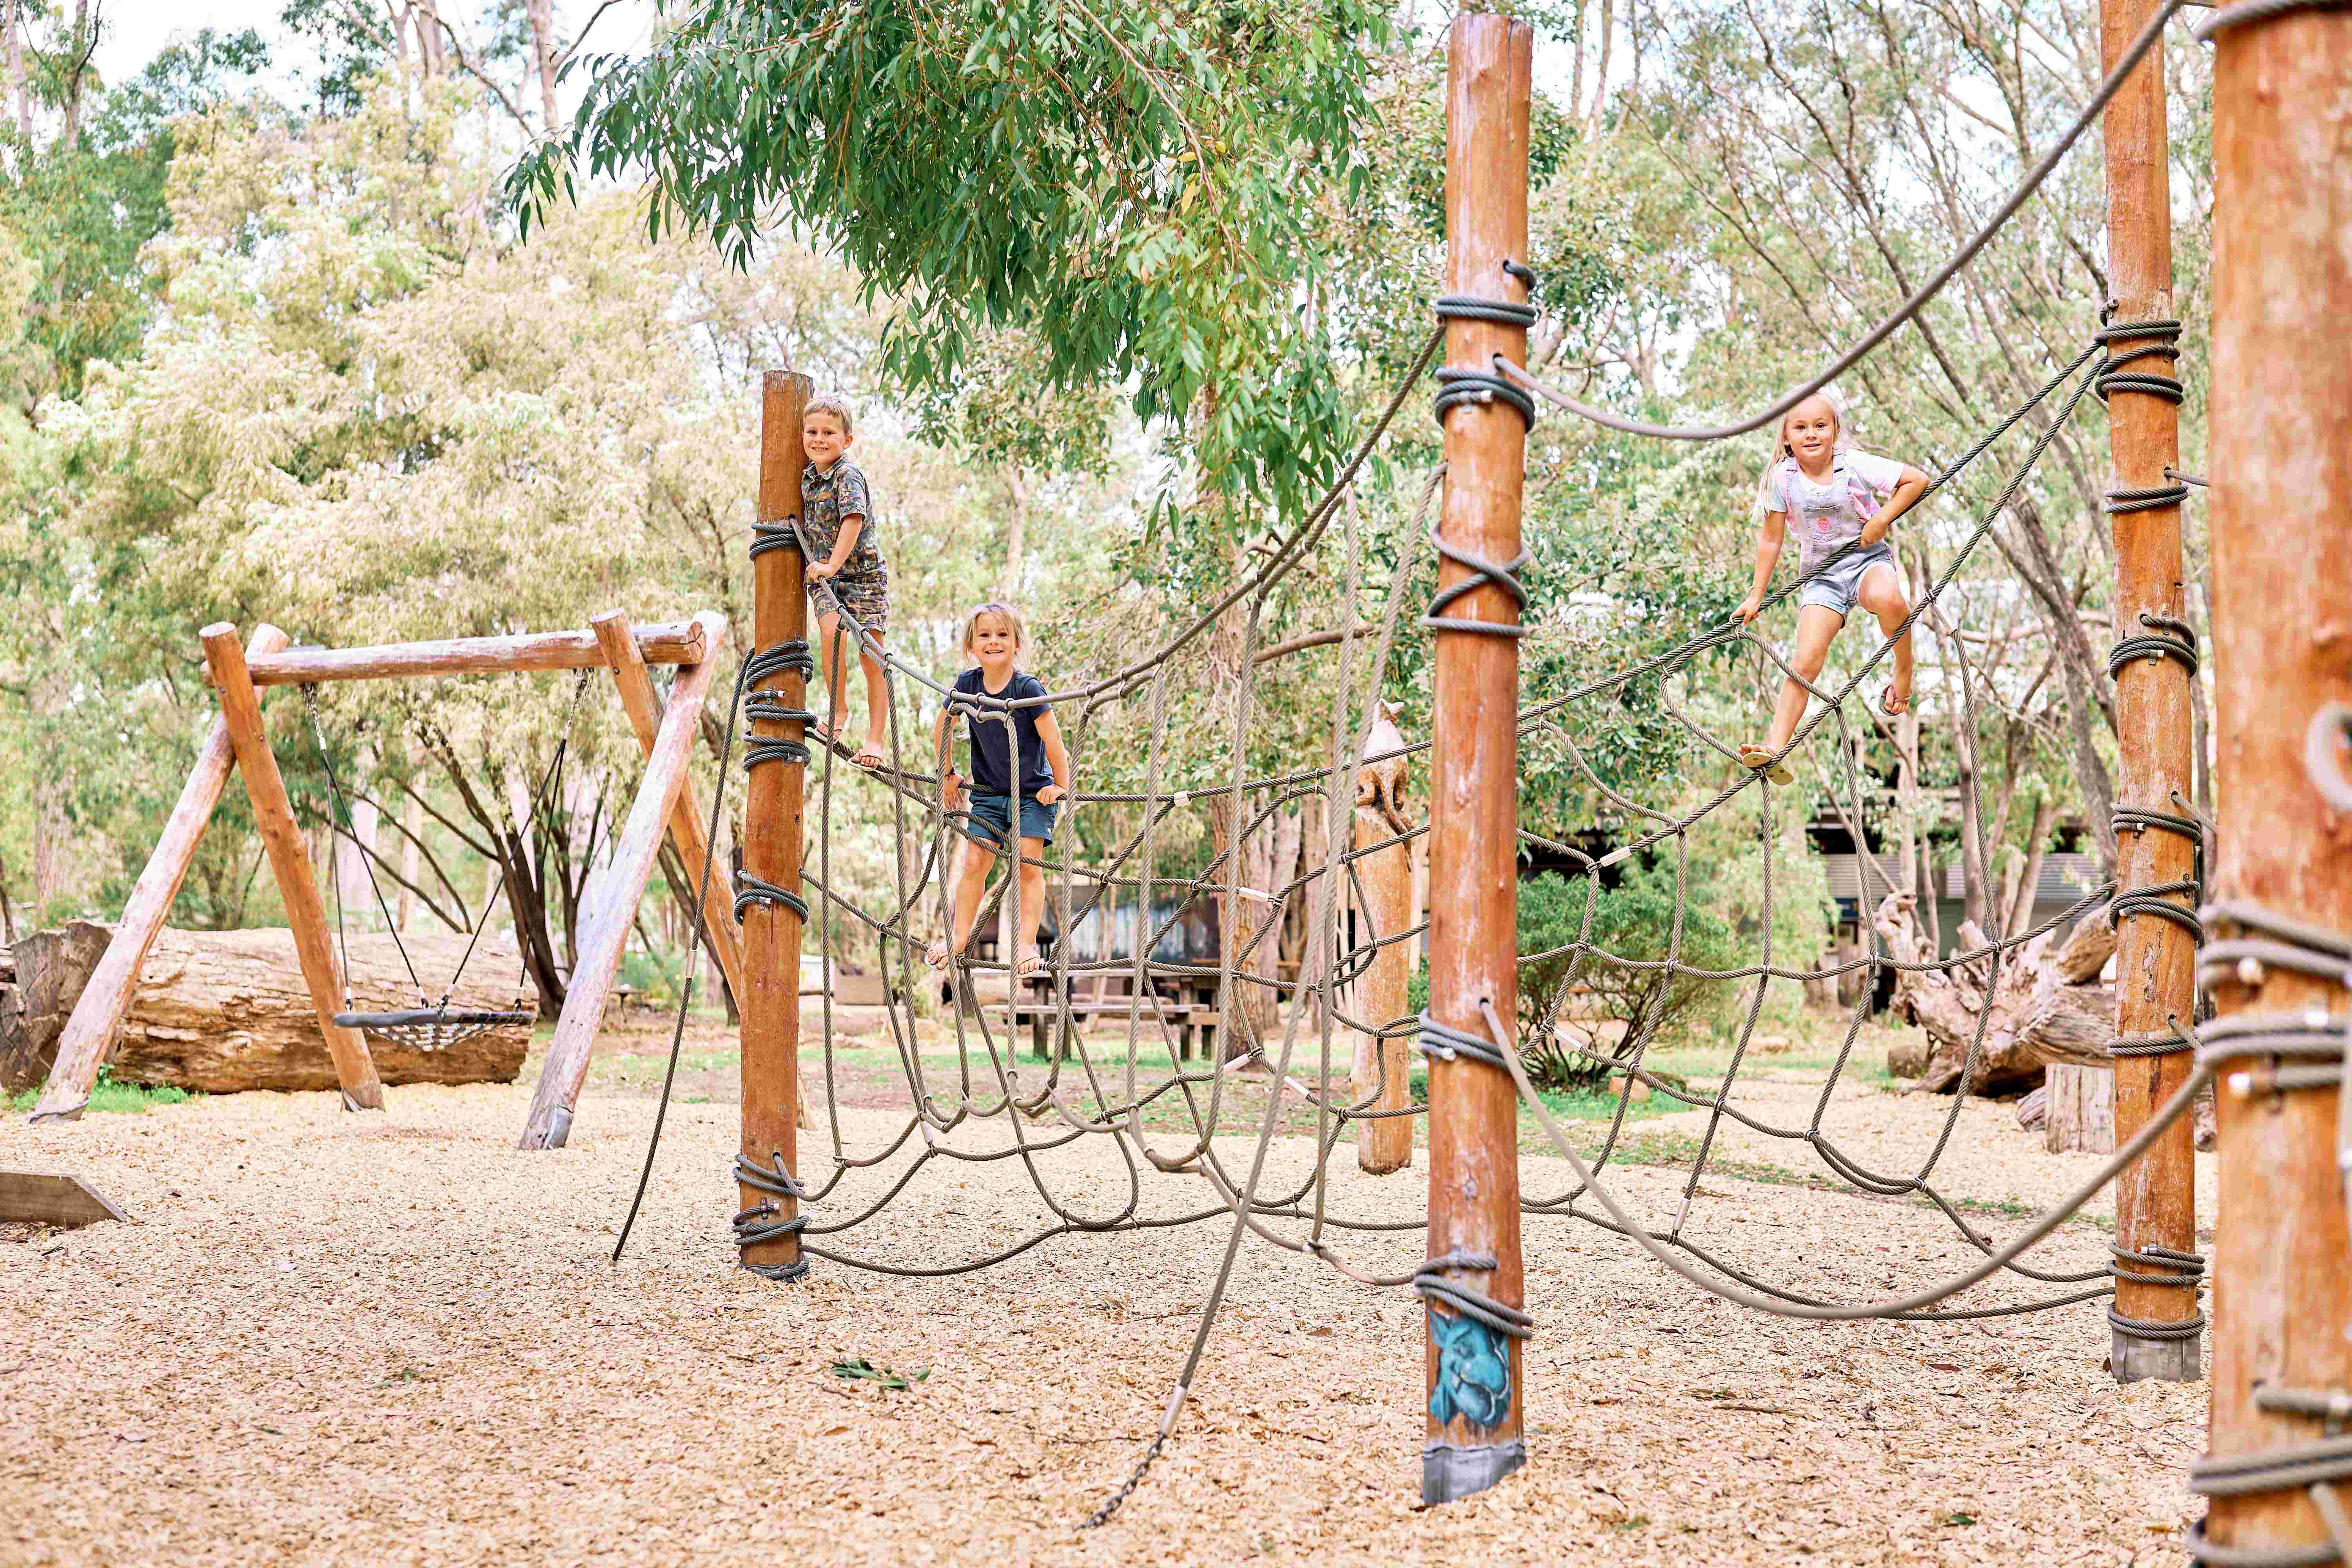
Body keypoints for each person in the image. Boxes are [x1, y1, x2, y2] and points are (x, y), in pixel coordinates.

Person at [1732, 390, 1929, 785]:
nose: (1811, 434)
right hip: (1821, 576)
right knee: (1805, 661)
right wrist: (1756, 595)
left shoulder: (1853, 464)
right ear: (1787, 436)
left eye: (1820, 426)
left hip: (1867, 561)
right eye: (1801, 427)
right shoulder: (1781, 479)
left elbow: (1917, 480)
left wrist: (1882, 519)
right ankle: (1774, 748)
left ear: (1835, 430)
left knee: (1891, 599)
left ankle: (1904, 670)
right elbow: (1772, 541)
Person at [925, 603, 1072, 978]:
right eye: (985, 636)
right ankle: (958, 938)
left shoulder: (1028, 689)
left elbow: (1054, 742)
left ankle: (1025, 943)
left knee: (1027, 864)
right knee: (976, 864)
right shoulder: (967, 685)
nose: (994, 642)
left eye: (1003, 635)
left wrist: (1061, 786)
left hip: (1032, 793)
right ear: (971, 645)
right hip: (989, 794)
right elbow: (942, 726)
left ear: (1017, 642)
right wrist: (947, 773)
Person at [800, 394, 891, 768]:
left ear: (847, 440)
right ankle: (838, 711)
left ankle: (875, 739)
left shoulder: (847, 475)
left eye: (829, 433)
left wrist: (832, 565)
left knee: (872, 656)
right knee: (829, 632)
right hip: (826, 579)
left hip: (862, 576)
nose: (819, 439)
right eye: (812, 432)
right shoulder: (807, 476)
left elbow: (852, 520)